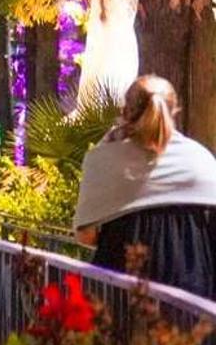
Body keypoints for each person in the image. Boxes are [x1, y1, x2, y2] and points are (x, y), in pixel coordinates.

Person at [75, 76, 216, 298]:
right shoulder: (201, 158)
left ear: (125, 112)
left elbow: (85, 236)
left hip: (121, 288)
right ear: (174, 110)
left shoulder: (102, 160)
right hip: (192, 290)